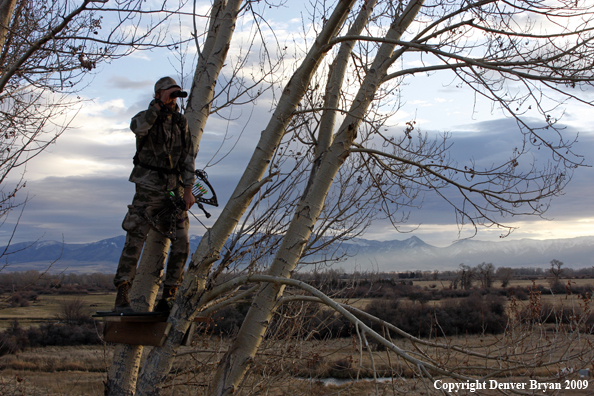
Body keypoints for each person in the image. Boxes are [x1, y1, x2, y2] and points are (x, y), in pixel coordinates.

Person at [113, 76, 196, 313]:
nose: (174, 98)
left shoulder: (181, 123)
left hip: (174, 189)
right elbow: (136, 127)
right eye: (170, 93)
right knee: (135, 237)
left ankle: (169, 295)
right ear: (158, 93)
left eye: (177, 93)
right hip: (148, 189)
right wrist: (159, 105)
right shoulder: (146, 117)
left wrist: (188, 191)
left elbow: (188, 158)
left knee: (181, 241)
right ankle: (123, 290)